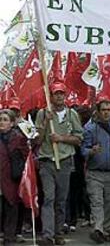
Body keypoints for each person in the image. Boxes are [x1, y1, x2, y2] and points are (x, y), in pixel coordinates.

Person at [35, 83, 83, 246]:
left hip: (64, 161)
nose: (59, 96)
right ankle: (47, 235)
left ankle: (58, 233)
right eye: (56, 93)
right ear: (51, 95)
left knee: (61, 200)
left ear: (65, 95)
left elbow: (78, 139)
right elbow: (37, 140)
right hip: (47, 161)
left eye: (62, 93)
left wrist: (62, 138)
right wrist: (45, 123)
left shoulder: (72, 114)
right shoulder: (43, 113)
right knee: (49, 197)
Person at [81, 96, 110, 244]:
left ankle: (107, 229)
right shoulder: (90, 127)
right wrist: (91, 151)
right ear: (98, 112)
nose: (106, 113)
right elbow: (83, 150)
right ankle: (98, 229)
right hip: (95, 172)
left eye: (109, 110)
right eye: (103, 110)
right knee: (97, 202)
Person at [0, 109, 29, 246]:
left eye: (5, 120)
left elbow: (26, 157)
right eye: (0, 119)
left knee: (11, 206)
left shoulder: (19, 138)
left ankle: (9, 237)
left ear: (12, 123)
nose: (2, 122)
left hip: (11, 177)